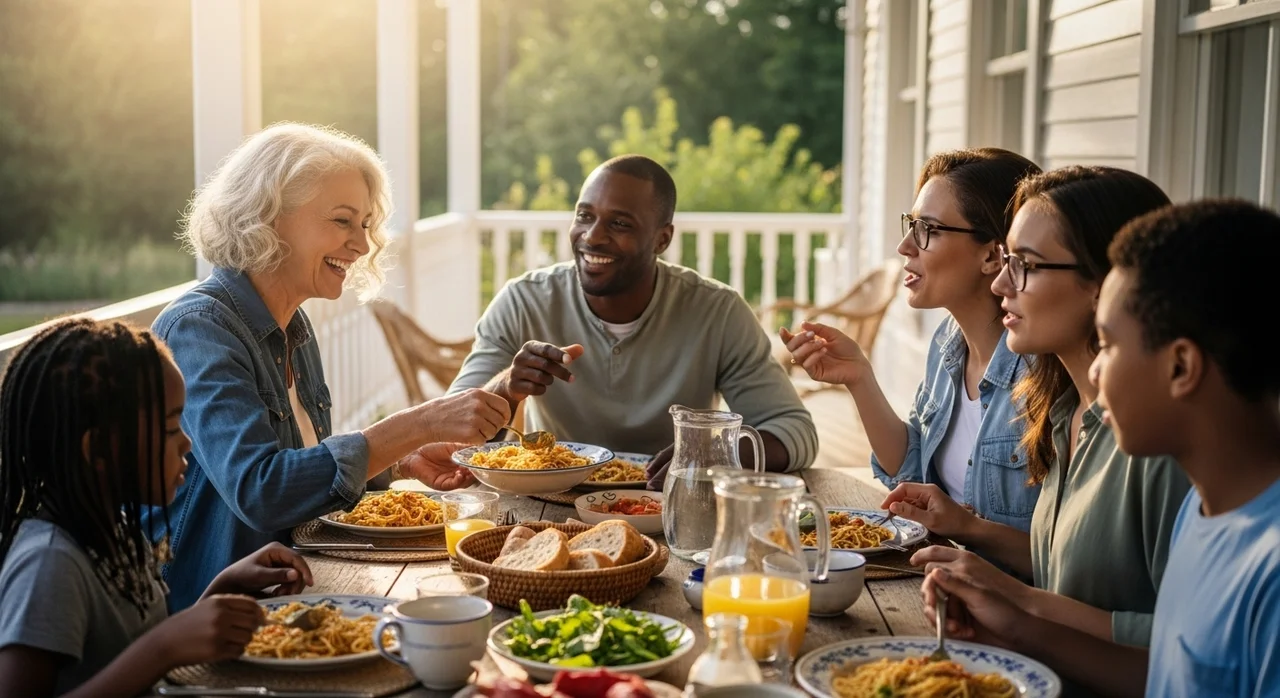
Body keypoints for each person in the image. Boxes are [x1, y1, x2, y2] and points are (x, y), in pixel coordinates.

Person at [922, 199, 1280, 697]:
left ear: (1181, 367)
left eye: (1108, 346)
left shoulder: (1270, 567)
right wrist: (1016, 629)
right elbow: (1165, 675)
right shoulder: (1203, 513)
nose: (1093, 371)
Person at [150, 123, 511, 609]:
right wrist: (417, 424)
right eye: (343, 221)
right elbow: (263, 492)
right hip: (213, 613)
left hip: (296, 585)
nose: (362, 245)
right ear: (268, 217)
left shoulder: (292, 324)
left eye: (364, 224)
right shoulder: (199, 330)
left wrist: (402, 460)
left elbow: (303, 473)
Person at [890, 167, 1188, 693]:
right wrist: (979, 549)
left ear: (1108, 285)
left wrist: (1021, 606)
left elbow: (1194, 646)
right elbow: (1072, 567)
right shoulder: (1061, 413)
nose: (1001, 283)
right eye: (1007, 261)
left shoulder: (1159, 448)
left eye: (1024, 265)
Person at [448, 155, 818, 487]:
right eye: (584, 216)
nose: (592, 237)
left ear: (662, 239)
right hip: (551, 504)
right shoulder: (523, 301)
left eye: (620, 224)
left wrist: (718, 452)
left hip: (673, 504)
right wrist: (506, 389)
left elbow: (795, 431)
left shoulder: (717, 311)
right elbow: (450, 434)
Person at [0, 319, 316, 698]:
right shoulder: (50, 563)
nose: (186, 444)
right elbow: (149, 653)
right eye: (170, 429)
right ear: (98, 449)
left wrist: (221, 589)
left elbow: (131, 652)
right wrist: (163, 647)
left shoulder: (114, 528)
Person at [784, 148, 1042, 531]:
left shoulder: (1042, 377)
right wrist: (859, 377)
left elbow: (1055, 556)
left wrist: (969, 531)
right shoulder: (948, 343)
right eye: (911, 224)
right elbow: (911, 470)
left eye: (928, 230)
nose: (905, 246)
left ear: (991, 255)